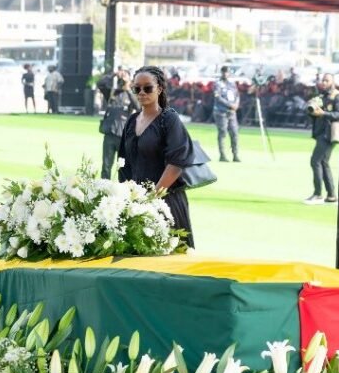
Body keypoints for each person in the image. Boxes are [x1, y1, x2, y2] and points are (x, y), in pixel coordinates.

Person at [117, 65, 197, 247]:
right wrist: (127, 197)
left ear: (159, 89)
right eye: (136, 88)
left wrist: (153, 197)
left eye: (148, 88)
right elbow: (123, 163)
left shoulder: (169, 119)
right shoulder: (131, 121)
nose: (141, 92)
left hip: (166, 202)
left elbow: (176, 163)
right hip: (136, 203)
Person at [304, 72, 339, 205]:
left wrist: (323, 113)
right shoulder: (320, 96)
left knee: (315, 161)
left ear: (332, 82)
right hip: (321, 132)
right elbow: (313, 113)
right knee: (324, 163)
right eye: (323, 80)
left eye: (327, 80)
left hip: (329, 133)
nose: (324, 83)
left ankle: (318, 194)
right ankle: (331, 195)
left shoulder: (337, 96)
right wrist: (311, 110)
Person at [99, 76, 137, 179]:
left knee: (123, 167)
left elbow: (138, 107)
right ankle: (103, 190)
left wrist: (128, 89)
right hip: (109, 134)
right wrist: (114, 74)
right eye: (121, 81)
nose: (122, 82)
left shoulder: (132, 94)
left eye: (124, 80)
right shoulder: (112, 93)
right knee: (106, 166)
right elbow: (101, 83)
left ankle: (122, 191)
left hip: (123, 136)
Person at [213, 66, 240, 162]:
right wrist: (229, 105)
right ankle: (222, 155)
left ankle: (235, 154)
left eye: (227, 72)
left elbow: (237, 95)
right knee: (223, 132)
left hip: (232, 112)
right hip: (221, 112)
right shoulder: (218, 84)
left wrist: (236, 104)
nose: (225, 74)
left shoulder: (232, 84)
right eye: (224, 72)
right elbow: (218, 97)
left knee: (234, 133)